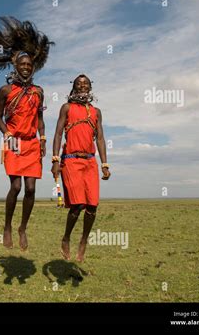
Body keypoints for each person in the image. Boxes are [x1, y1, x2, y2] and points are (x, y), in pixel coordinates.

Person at [0, 15, 54, 251]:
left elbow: (39, 118)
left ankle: (22, 228)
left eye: (29, 65)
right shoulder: (6, 90)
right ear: (15, 66)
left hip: (31, 143)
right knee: (16, 187)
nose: (26, 67)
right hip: (14, 142)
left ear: (32, 67)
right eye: (22, 65)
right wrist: (6, 133)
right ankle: (7, 226)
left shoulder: (39, 91)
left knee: (30, 189)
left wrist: (43, 138)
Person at [51, 74, 111, 262]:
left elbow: (100, 138)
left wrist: (104, 164)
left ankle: (84, 241)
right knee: (77, 205)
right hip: (71, 160)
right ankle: (66, 238)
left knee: (92, 206)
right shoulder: (67, 108)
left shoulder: (96, 111)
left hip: (91, 162)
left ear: (90, 87)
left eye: (86, 83)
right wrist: (54, 160)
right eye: (79, 83)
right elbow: (58, 133)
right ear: (74, 87)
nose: (83, 85)